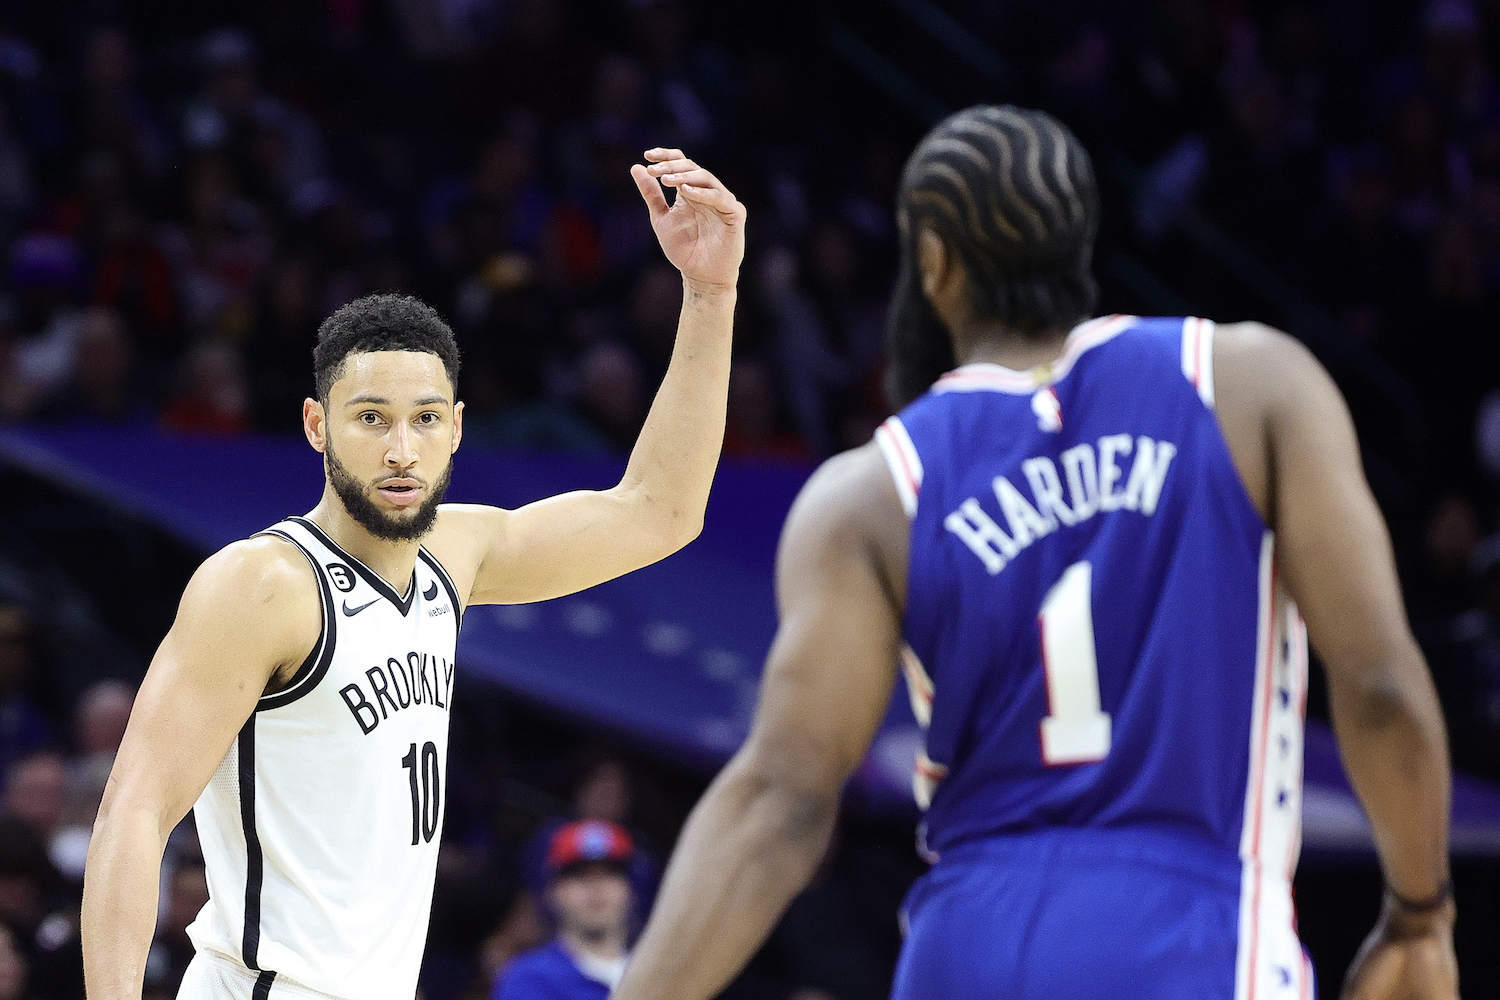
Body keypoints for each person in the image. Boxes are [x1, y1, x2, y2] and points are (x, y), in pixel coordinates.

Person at [610, 106, 1457, 1000]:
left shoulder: (871, 491)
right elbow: (1381, 688)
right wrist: (1420, 912)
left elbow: (778, 799)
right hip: (1189, 934)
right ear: (1079, 234)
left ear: (932, 262)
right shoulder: (1249, 382)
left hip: (965, 946)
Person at [80, 147, 745, 1000]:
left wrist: (711, 292)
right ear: (317, 425)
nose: (401, 450)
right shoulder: (262, 585)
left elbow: (661, 510)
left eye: (425, 419)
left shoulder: (455, 556)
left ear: (458, 428)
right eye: (371, 419)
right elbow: (131, 814)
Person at [491, 820, 637, 1000]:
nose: (596, 888)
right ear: (554, 892)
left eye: (609, 874)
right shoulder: (530, 979)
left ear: (629, 889)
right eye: (580, 876)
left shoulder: (656, 973)